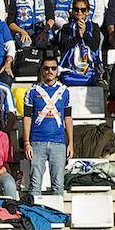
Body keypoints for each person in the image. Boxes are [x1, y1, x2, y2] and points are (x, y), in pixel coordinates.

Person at [22, 57, 72, 201]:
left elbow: (68, 118)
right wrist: (27, 142)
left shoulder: (65, 91)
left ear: (57, 70)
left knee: (58, 185)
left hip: (59, 142)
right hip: (37, 142)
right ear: (41, 70)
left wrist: (70, 143)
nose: (50, 71)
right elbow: (27, 118)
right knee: (35, 184)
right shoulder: (32, 91)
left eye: (53, 68)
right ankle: (34, 218)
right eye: (46, 68)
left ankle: (56, 215)